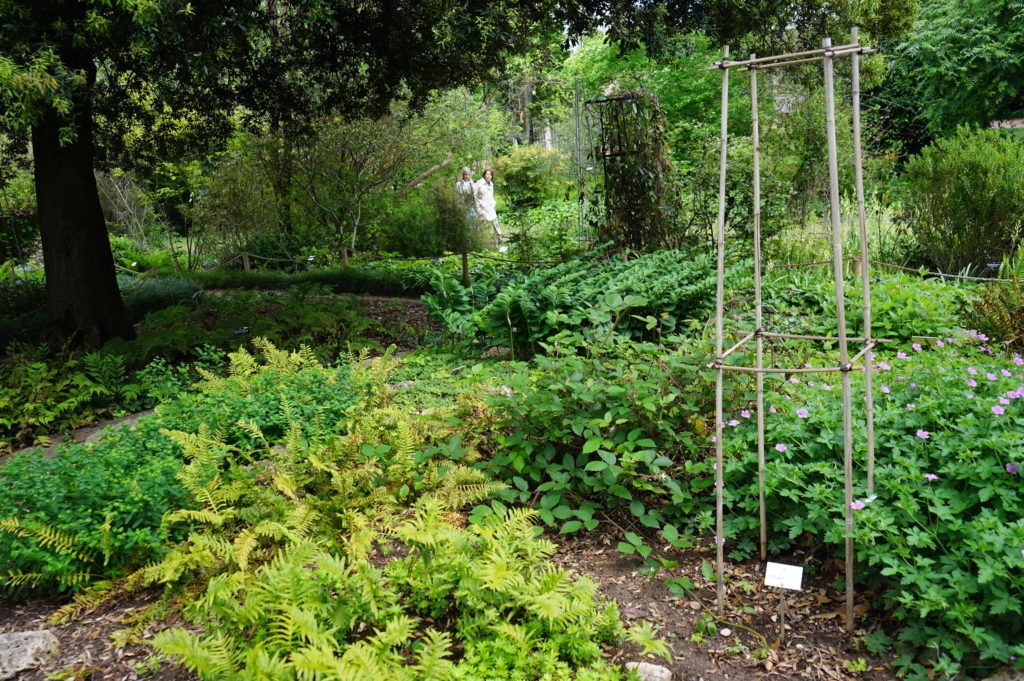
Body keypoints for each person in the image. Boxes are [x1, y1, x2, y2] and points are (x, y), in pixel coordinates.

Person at [474, 168, 503, 243]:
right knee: (481, 224)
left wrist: (494, 203)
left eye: (490, 174)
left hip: (490, 207)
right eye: (487, 174)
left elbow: (490, 195)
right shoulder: (479, 183)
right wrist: (478, 208)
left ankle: (500, 239)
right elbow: (475, 196)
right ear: (484, 175)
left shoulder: (491, 184)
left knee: (495, 222)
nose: (489, 176)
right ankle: (479, 240)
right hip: (482, 207)